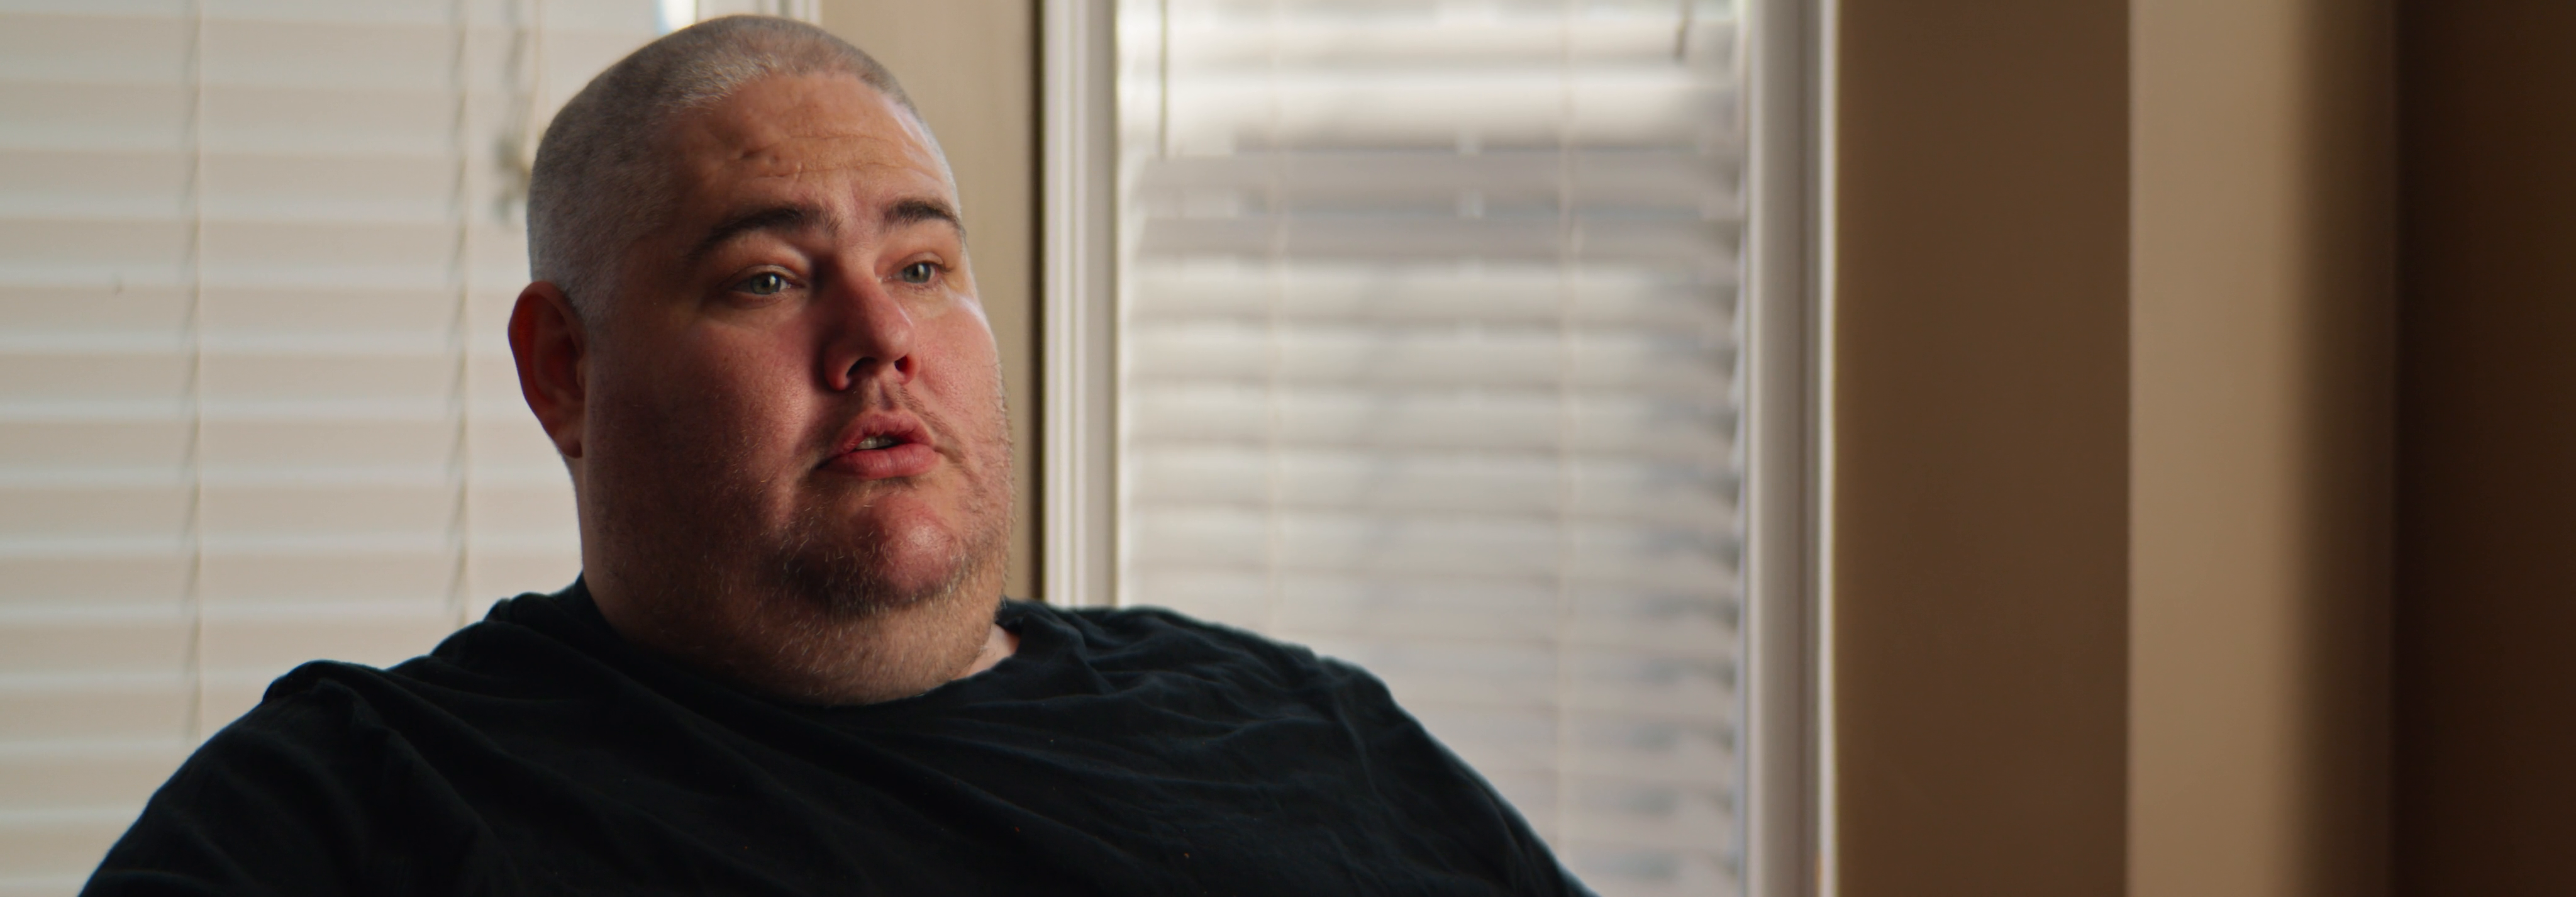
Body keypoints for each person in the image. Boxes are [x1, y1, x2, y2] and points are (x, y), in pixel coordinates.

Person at [82, 16, 1590, 897]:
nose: (881, 336)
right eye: (768, 277)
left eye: (923, 266)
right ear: (565, 370)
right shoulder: (350, 805)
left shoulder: (1302, 725)